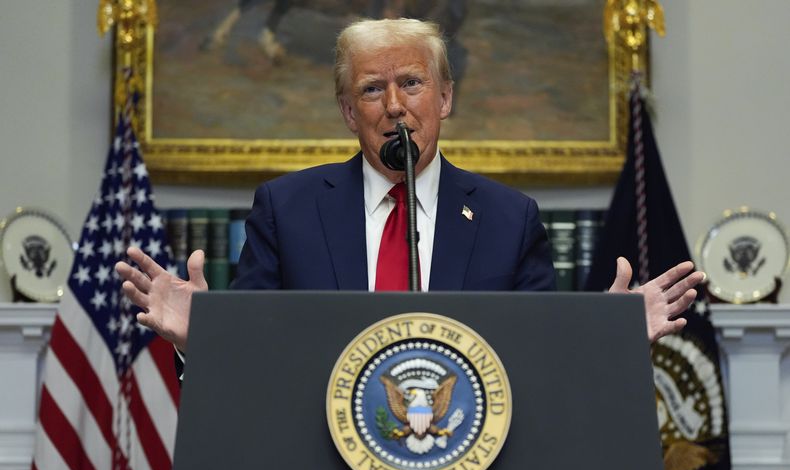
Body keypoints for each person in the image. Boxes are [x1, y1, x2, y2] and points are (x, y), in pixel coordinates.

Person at [116, 18, 702, 354]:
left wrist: (606, 341)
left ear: (444, 98)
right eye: (372, 89)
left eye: (413, 84)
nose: (395, 106)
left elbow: (539, 358)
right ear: (349, 112)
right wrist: (200, 340)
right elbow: (254, 359)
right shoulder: (287, 209)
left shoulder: (508, 218)